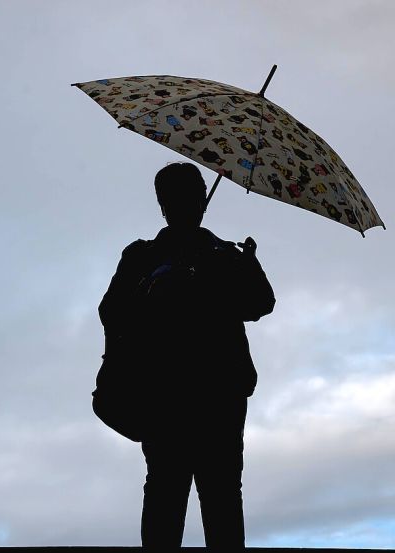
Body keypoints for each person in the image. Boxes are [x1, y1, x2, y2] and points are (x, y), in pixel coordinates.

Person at [98, 162, 275, 548]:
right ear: (163, 204)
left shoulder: (225, 255)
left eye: (188, 197)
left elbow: (262, 302)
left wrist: (239, 268)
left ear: (200, 202)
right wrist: (153, 289)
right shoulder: (141, 257)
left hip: (219, 393)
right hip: (165, 393)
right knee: (170, 487)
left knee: (218, 491)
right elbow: (112, 312)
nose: (181, 206)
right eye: (173, 199)